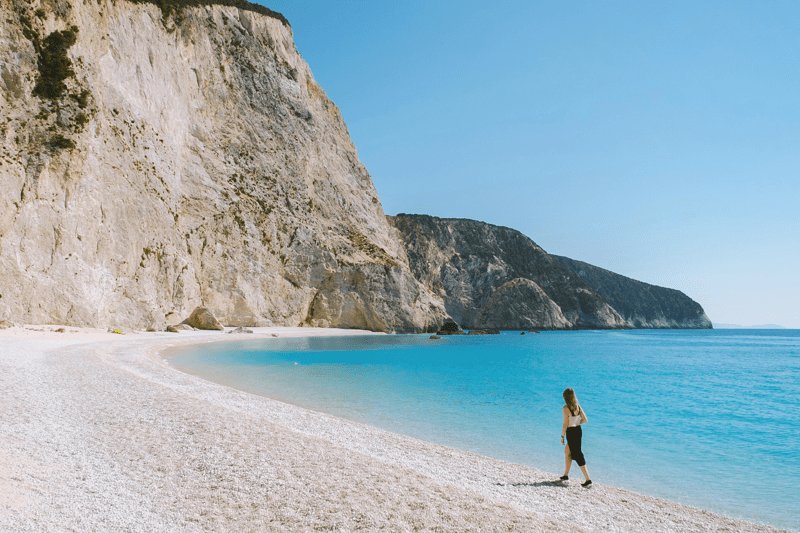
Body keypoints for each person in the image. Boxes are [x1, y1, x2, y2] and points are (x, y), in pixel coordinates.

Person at [560, 387, 592, 487]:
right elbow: (585, 419)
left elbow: (565, 423)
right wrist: (576, 422)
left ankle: (588, 480)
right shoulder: (578, 406)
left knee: (578, 455)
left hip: (571, 432)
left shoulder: (565, 408)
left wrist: (562, 436)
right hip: (578, 430)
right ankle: (565, 475)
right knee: (567, 451)